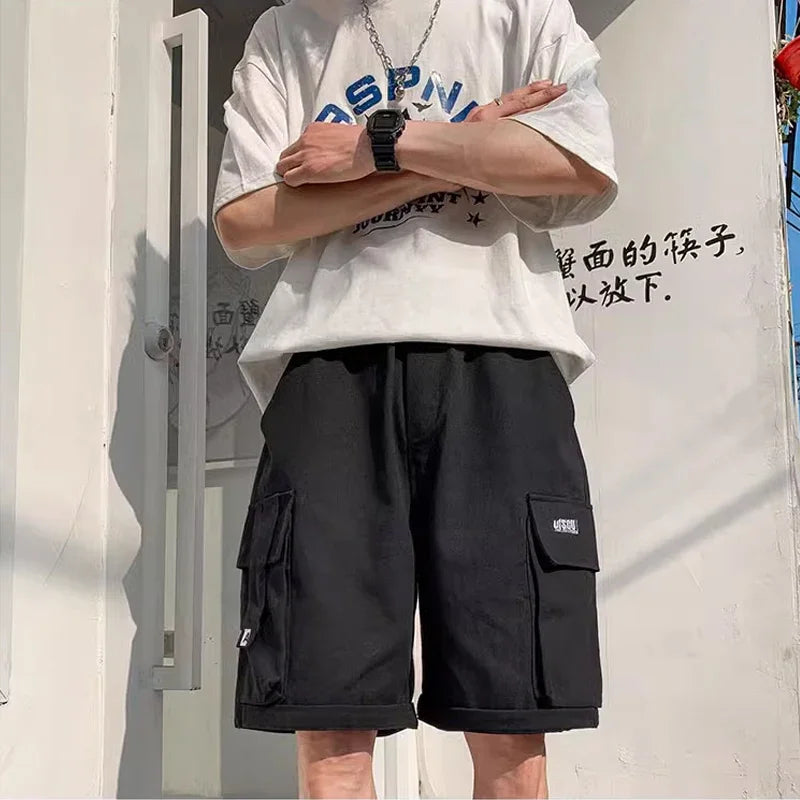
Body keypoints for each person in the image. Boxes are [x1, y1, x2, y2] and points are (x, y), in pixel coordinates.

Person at [213, 0, 617, 796]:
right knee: (329, 726)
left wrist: (377, 146)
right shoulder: (286, 32)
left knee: (511, 726)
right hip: (328, 369)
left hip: (500, 359)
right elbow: (246, 221)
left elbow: (580, 167)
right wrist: (475, 142)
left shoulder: (519, 10)